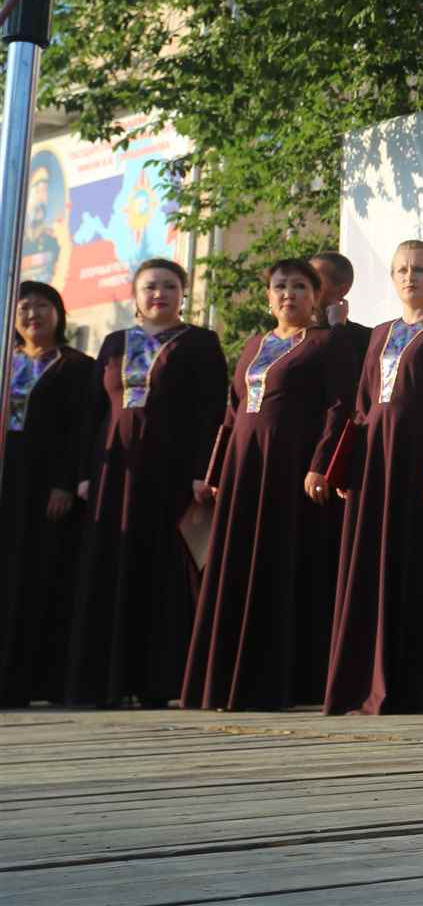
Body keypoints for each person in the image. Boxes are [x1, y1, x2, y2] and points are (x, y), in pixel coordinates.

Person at [181, 259, 357, 711]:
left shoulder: (325, 343)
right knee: (237, 567)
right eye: (280, 286)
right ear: (268, 296)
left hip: (293, 470)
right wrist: (216, 474)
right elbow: (232, 412)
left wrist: (321, 465)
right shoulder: (255, 345)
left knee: (285, 565)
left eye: (299, 286)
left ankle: (287, 682)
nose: (288, 294)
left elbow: (339, 408)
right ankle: (228, 679)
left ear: (315, 296)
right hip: (245, 471)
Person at [322, 242, 423, 714]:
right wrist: (347, 465)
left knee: (420, 564)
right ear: (392, 279)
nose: (411, 277)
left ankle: (417, 682)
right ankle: (367, 680)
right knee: (374, 565)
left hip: (422, 465)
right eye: (402, 270)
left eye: (421, 270)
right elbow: (361, 407)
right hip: (377, 466)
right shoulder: (380, 334)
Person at [66, 259, 227, 708]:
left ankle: (160, 682)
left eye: (170, 286)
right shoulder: (115, 342)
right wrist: (84, 473)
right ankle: (106, 681)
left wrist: (204, 470)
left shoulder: (200, 342)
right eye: (151, 287)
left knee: (162, 568)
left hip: (170, 473)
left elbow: (213, 412)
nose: (160, 294)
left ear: (183, 293)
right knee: (111, 565)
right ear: (136, 295)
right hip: (114, 475)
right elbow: (93, 412)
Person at [0, 282, 98, 705]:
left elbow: (83, 430)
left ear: (58, 313)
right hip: (7, 481)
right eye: (24, 307)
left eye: (42, 306)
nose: (32, 315)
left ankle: (38, 680)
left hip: (47, 488)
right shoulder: (6, 361)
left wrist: (65, 482)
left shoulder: (76, 366)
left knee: (42, 576)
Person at [310, 251, 373, 368]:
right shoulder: (291, 335)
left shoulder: (367, 340)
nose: (308, 287)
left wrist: (337, 327)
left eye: (315, 282)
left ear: (342, 290)